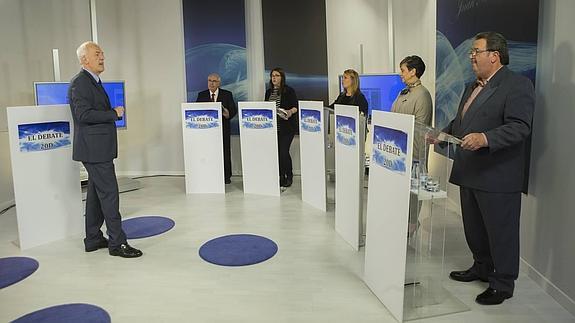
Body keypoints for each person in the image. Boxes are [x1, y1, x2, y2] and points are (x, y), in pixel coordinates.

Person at [442, 32, 534, 305]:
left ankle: (503, 283)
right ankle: (481, 267)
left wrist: (486, 138)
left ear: (494, 56)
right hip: (469, 171)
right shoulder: (471, 86)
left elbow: (520, 126)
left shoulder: (517, 85)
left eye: (476, 51)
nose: (471, 56)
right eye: (471, 51)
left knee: (501, 232)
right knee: (474, 228)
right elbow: (460, 124)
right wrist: (441, 134)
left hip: (497, 174)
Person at [68, 41, 142, 258]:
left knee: (95, 195)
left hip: (98, 149)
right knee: (109, 195)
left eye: (102, 53)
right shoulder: (80, 83)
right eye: (97, 54)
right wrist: (114, 113)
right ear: (84, 60)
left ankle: (93, 238)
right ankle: (117, 243)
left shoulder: (93, 81)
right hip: (94, 150)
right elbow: (83, 115)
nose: (102, 57)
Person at [391, 55, 432, 237]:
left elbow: (421, 128)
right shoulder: (403, 93)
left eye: (403, 70)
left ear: (413, 71)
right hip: (397, 150)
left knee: (413, 191)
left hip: (414, 153)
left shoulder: (423, 95)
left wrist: (412, 154)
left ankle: (412, 222)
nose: (401, 74)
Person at [196, 73, 237, 184]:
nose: (211, 83)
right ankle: (210, 174)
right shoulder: (201, 95)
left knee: (225, 152)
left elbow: (233, 110)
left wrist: (228, 114)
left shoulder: (227, 94)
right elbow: (197, 112)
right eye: (209, 80)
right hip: (207, 130)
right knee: (209, 152)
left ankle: (226, 177)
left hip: (223, 129)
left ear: (219, 83)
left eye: (214, 81)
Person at [264, 68, 298, 187]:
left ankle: (289, 175)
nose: (274, 78)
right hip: (273, 127)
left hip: (287, 127)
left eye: (277, 75)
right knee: (277, 153)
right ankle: (281, 176)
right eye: (272, 76)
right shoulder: (269, 92)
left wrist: (289, 112)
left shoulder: (289, 91)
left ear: (282, 77)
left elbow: (295, 107)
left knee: (284, 152)